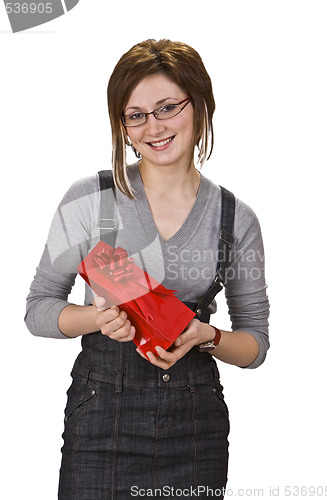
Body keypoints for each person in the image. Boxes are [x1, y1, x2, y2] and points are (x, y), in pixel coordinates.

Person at [25, 39, 270, 500]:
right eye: (135, 115)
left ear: (199, 105)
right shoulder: (89, 199)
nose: (153, 127)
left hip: (196, 424)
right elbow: (38, 310)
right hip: (101, 416)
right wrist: (96, 319)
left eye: (167, 108)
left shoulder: (236, 219)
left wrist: (207, 337)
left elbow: (255, 345)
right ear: (122, 125)